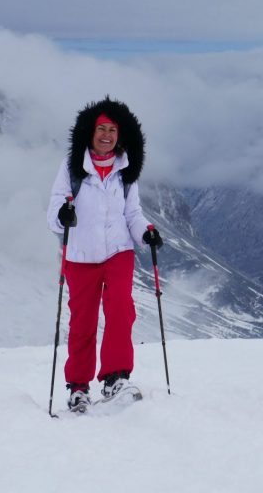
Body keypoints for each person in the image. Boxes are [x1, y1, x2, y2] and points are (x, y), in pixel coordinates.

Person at [47, 96, 163, 411]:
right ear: (90, 132)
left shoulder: (125, 169)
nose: (107, 135)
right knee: (82, 321)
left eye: (112, 129)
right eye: (101, 128)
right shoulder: (72, 168)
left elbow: (133, 214)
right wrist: (63, 216)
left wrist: (145, 233)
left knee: (121, 310)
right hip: (81, 255)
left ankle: (115, 378)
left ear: (120, 133)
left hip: (118, 251)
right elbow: (55, 209)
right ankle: (78, 388)